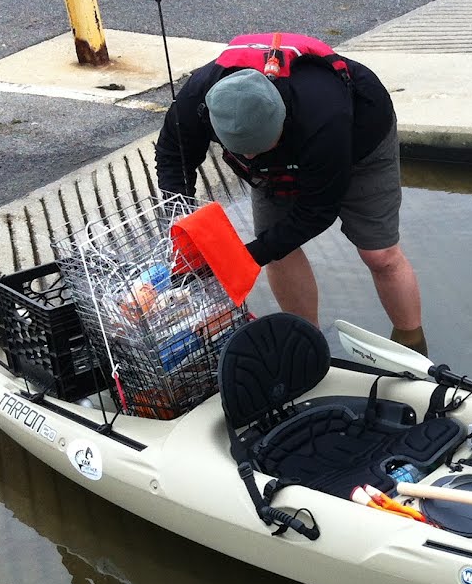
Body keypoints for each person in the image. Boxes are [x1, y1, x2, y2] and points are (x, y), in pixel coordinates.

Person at [154, 34, 426, 354]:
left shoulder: (324, 115)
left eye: (261, 147)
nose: (251, 158)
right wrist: (181, 222)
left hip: (359, 139)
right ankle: (309, 343)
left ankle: (413, 345)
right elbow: (173, 157)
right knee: (278, 247)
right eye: (244, 152)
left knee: (379, 255)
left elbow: (318, 210)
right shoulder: (198, 99)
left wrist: (246, 257)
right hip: (284, 160)